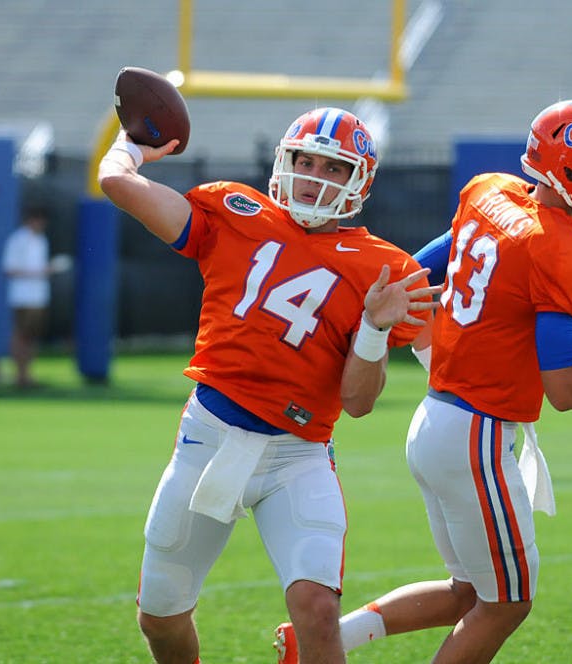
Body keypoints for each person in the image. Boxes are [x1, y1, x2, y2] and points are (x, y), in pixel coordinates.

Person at [274, 99, 572, 663]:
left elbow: (418, 274)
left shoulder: (490, 191)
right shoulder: (563, 251)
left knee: (468, 592)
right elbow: (566, 390)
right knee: (508, 602)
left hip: (436, 423)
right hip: (477, 436)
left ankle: (322, 641)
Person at [97, 106, 441, 664]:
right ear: (284, 161)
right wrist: (132, 144)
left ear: (359, 183)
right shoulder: (235, 209)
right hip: (209, 440)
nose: (313, 176)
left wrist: (375, 327)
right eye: (305, 161)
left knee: (318, 613)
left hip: (297, 457)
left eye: (332, 168)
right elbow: (117, 181)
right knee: (160, 619)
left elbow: (358, 402)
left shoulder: (384, 270)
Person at [2, 207, 54, 388]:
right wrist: (39, 272)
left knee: (32, 336)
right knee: (21, 335)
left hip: (38, 297)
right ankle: (19, 374)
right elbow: (9, 269)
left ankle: (27, 374)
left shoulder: (41, 240)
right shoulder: (17, 240)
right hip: (22, 297)